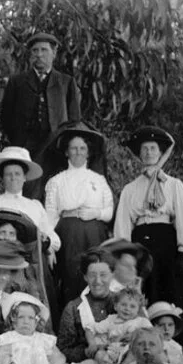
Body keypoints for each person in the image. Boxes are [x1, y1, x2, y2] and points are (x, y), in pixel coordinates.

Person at [113, 125, 183, 364]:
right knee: (145, 299)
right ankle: (145, 363)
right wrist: (126, 257)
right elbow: (123, 226)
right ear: (139, 155)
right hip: (141, 249)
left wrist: (182, 250)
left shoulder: (174, 185)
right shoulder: (130, 190)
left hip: (168, 247)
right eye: (144, 149)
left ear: (160, 153)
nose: (148, 153)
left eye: (153, 149)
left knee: (176, 299)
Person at [0, 146, 61, 326]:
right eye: (8, 174)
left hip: (32, 264)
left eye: (17, 174)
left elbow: (54, 239)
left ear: (24, 177)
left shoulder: (34, 206)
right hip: (1, 262)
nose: (13, 178)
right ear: (2, 177)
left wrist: (46, 244)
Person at [0, 32, 81, 200]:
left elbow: (74, 120)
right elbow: (6, 116)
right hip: (24, 146)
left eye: (44, 50)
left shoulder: (66, 82)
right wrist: (18, 139)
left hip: (54, 145)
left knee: (54, 188)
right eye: (35, 51)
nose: (39, 55)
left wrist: (63, 142)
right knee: (26, 189)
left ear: (54, 53)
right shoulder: (17, 82)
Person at [44, 122, 114, 306]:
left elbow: (109, 211)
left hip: (94, 233)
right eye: (73, 148)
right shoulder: (56, 181)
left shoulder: (98, 180)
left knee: (96, 275)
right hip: (68, 234)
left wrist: (96, 213)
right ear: (66, 152)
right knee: (71, 277)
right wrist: (50, 246)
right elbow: (50, 216)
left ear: (88, 152)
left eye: (82, 148)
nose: (78, 152)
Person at [56, 247, 118, 364]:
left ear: (112, 274)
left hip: (120, 360)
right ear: (85, 277)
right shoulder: (74, 307)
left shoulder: (124, 303)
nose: (98, 281)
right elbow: (64, 348)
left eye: (103, 275)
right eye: (92, 275)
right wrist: (92, 353)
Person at [82, 287, 153, 364]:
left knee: (135, 350)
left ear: (138, 310)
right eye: (123, 304)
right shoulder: (111, 320)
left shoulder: (141, 321)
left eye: (132, 306)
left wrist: (132, 335)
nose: (127, 309)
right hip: (113, 354)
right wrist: (92, 344)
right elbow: (89, 328)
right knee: (99, 354)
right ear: (116, 306)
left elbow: (151, 332)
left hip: (131, 352)